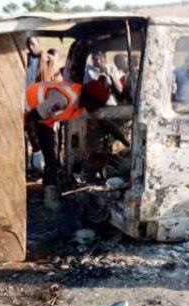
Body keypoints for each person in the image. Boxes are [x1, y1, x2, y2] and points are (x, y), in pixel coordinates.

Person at [25, 77, 130, 210]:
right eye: (97, 106)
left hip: (43, 119)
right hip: (22, 111)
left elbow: (105, 123)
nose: (97, 109)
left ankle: (49, 196)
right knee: (36, 158)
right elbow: (30, 119)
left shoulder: (85, 99)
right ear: (89, 100)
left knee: (51, 160)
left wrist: (126, 142)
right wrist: (36, 150)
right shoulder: (62, 100)